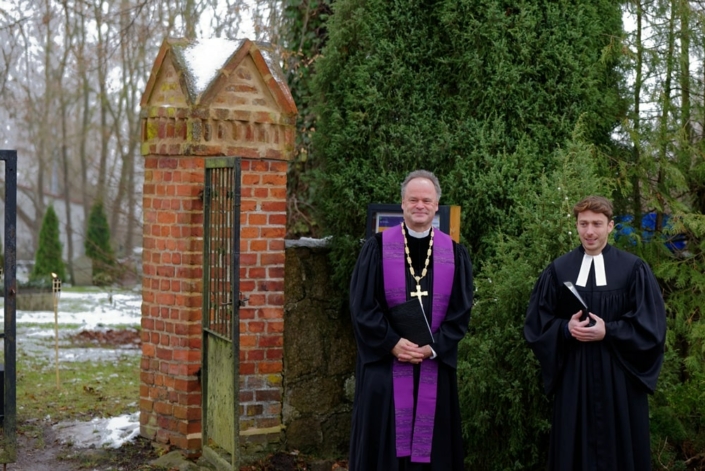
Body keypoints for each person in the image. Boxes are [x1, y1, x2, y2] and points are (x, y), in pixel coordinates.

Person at [524, 195, 667, 470]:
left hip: (620, 380)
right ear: (576, 225)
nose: (590, 231)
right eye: (584, 223)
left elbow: (652, 328)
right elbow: (536, 324)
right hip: (574, 379)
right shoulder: (558, 270)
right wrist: (565, 329)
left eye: (597, 224)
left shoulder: (633, 269)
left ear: (610, 226)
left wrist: (609, 331)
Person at [348, 170, 474, 471]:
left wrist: (432, 348)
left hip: (433, 362)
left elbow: (460, 311)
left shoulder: (454, 254)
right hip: (385, 365)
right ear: (402, 204)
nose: (420, 205)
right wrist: (391, 343)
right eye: (413, 199)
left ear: (436, 204)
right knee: (385, 439)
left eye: (426, 200)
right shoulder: (376, 249)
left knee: (434, 443)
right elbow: (362, 306)